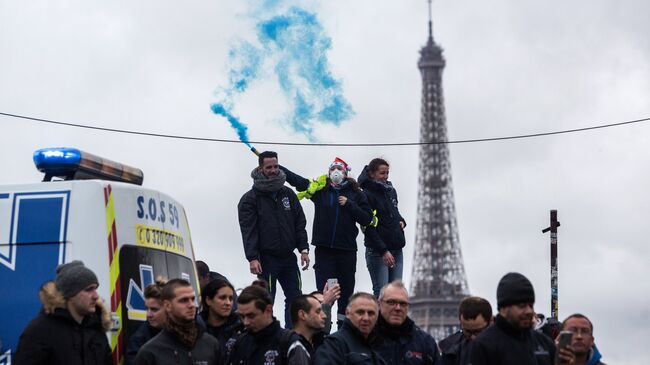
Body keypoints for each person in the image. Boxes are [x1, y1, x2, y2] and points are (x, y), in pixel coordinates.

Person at [282, 157, 373, 326]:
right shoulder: (321, 190)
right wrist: (279, 168)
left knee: (345, 294)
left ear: (346, 173)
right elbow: (299, 182)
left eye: (340, 169)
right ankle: (324, 327)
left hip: (346, 252)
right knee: (326, 293)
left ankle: (343, 329)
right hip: (325, 252)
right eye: (333, 169)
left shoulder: (356, 193)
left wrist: (350, 205)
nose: (336, 172)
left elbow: (367, 218)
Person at [238, 150, 310, 327]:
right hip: (266, 259)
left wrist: (304, 249)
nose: (273, 170)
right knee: (266, 299)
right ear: (261, 169)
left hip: (288, 257)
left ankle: (292, 334)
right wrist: (252, 257)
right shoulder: (249, 199)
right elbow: (248, 230)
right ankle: (266, 333)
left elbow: (299, 222)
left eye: (276, 166)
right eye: (269, 167)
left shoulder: (288, 194)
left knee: (295, 297)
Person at [15, 261, 112, 365]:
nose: (96, 296)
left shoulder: (96, 328)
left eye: (95, 288)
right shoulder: (39, 331)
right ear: (70, 294)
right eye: (89, 290)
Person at [470, 272, 574, 365]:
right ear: (503, 308)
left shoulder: (544, 343)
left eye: (531, 305)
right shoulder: (483, 346)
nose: (529, 311)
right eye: (522, 305)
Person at [135, 279, 220, 365]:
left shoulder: (211, 344)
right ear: (167, 306)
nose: (191, 305)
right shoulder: (150, 352)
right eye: (184, 300)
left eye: (193, 299)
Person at [226, 281, 310, 365]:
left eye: (251, 316)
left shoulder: (289, 342)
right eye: (242, 316)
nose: (246, 322)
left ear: (268, 310)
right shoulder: (240, 343)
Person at [358, 158, 407, 298]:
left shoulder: (390, 191)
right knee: (383, 294)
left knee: (396, 294)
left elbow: (395, 212)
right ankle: (380, 320)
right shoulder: (365, 194)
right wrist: (384, 251)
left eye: (387, 173)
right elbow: (367, 226)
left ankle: (394, 320)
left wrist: (402, 221)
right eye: (382, 173)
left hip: (396, 248)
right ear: (372, 174)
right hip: (378, 251)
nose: (385, 176)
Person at [372, 281, 441, 364]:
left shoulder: (426, 342)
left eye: (403, 303)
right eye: (391, 302)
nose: (398, 308)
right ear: (379, 304)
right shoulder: (366, 336)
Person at [314, 292, 385, 365]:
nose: (366, 318)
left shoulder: (382, 345)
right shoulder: (334, 344)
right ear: (347, 313)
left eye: (371, 313)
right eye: (360, 312)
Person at [125, 279, 168, 365]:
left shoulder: (182, 333)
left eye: (154, 309)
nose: (148, 314)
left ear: (168, 308)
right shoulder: (138, 340)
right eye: (147, 309)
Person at [438, 296, 492, 365]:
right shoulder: (449, 350)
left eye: (478, 331)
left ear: (490, 322)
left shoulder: (505, 345)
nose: (473, 337)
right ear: (460, 322)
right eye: (467, 332)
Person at [200, 278, 243, 354]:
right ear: (208, 300)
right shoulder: (196, 328)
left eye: (230, 298)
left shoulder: (241, 328)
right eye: (222, 298)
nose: (228, 303)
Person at [291, 294, 328, 359]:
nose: (324, 316)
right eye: (318, 311)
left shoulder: (323, 344)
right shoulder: (284, 347)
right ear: (302, 315)